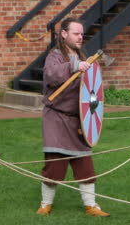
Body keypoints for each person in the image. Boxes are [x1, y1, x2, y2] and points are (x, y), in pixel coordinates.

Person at [36, 17, 110, 217]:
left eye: (81, 34)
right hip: (57, 118)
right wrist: (74, 66)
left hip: (79, 120)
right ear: (64, 34)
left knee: (85, 164)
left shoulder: (83, 56)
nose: (80, 37)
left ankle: (90, 205)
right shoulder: (55, 55)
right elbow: (51, 75)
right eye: (76, 33)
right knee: (54, 164)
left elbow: (90, 90)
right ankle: (45, 204)